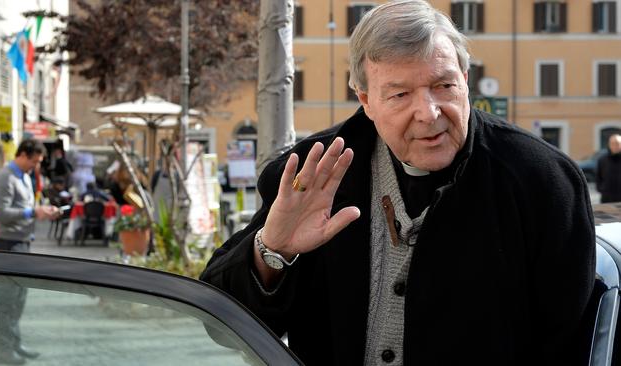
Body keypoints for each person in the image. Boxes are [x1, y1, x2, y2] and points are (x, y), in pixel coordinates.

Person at [200, 1, 595, 365]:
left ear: (466, 79)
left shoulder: (543, 183)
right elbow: (220, 322)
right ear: (366, 100)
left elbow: (569, 346)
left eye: (443, 85)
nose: (428, 112)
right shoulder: (309, 175)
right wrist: (273, 253)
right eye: (401, 94)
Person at [0, 139, 60, 365]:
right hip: (7, 245)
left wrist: (43, 211)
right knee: (6, 301)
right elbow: (1, 214)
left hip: (22, 243)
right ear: (22, 155)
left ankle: (14, 345)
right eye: (34, 161)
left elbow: (24, 208)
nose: (36, 166)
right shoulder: (5, 177)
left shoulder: (25, 176)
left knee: (19, 299)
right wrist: (32, 212)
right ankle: (4, 352)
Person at [596, 134, 621, 203]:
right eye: (612, 143)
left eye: (617, 143)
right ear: (609, 145)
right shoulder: (602, 160)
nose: (615, 146)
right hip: (607, 197)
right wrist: (601, 189)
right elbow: (598, 176)